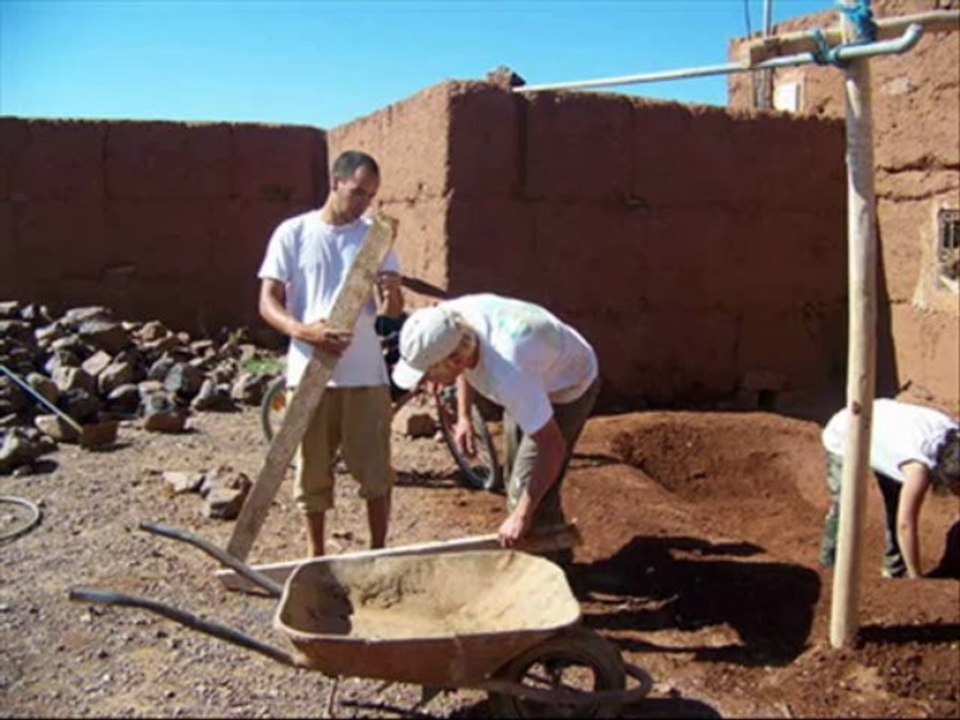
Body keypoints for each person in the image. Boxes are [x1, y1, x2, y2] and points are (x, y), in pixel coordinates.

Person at [257, 150, 403, 557]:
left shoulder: (376, 236)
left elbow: (390, 313)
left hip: (365, 376)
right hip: (310, 372)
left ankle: (378, 554)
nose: (363, 203)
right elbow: (267, 302)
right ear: (335, 182)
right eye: (357, 192)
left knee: (375, 475)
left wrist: (392, 292)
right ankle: (315, 556)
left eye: (370, 196)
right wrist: (304, 331)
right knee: (312, 475)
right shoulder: (294, 233)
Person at [391, 293, 600, 551]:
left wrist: (521, 515)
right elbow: (466, 363)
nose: (424, 382)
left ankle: (553, 558)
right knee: (516, 477)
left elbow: (551, 446)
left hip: (568, 384)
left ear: (453, 360)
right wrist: (464, 416)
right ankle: (543, 536)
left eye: (429, 372)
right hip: (534, 369)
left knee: (525, 492)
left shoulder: (509, 374)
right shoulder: (449, 322)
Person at [820, 398, 960, 578]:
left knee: (896, 503)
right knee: (847, 506)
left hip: (890, 436)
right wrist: (917, 579)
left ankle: (895, 571)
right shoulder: (918, 469)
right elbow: (905, 525)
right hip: (849, 432)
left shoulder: (956, 434)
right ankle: (830, 569)